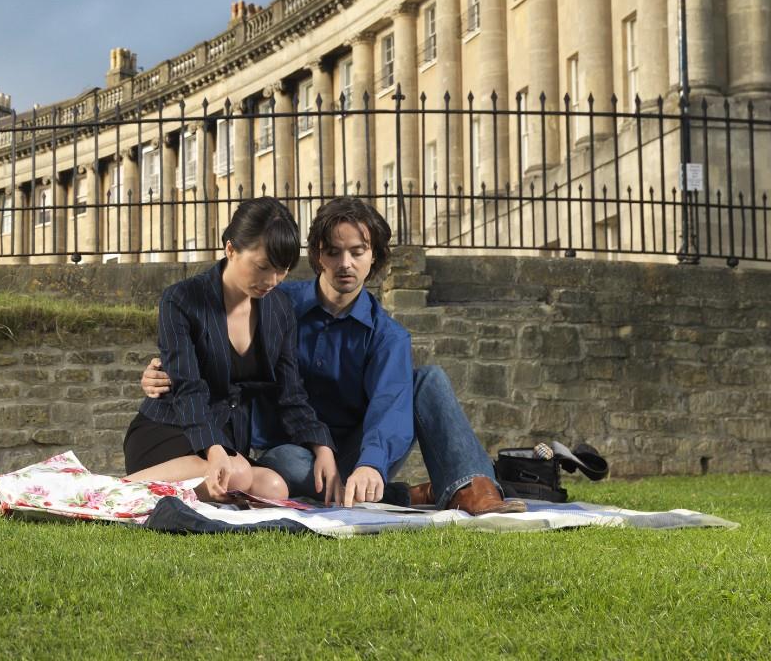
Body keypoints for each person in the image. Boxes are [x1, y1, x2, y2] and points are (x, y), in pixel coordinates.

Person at [143, 196, 525, 514]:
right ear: (317, 256)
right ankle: (403, 496)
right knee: (286, 466)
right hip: (288, 453)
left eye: (358, 252)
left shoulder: (388, 335)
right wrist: (164, 371)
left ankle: (475, 490)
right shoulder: (275, 302)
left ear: (373, 257)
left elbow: (389, 405)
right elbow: (217, 343)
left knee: (430, 379)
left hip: (354, 454)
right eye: (334, 252)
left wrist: (371, 463)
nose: (346, 264)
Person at [122, 197, 337, 502]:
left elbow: (291, 393)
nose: (272, 281)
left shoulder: (279, 310)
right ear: (230, 249)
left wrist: (322, 447)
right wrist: (212, 449)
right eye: (262, 267)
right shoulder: (182, 300)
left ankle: (170, 494)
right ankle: (112, 490)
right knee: (238, 475)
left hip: (227, 439)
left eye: (283, 270)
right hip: (170, 429)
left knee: (273, 487)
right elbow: (187, 387)